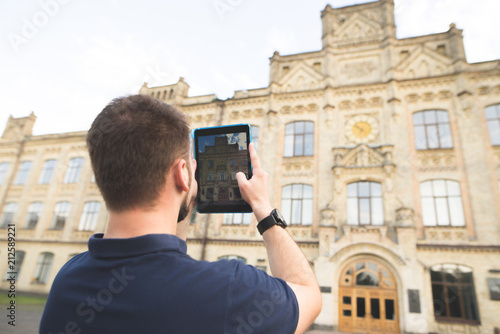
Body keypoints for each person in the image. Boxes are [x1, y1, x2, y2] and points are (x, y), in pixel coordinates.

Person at [40, 94, 322, 334]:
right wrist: (263, 208)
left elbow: (167, 267)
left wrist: (183, 195)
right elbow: (307, 293)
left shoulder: (67, 280)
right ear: (182, 174)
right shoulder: (230, 289)